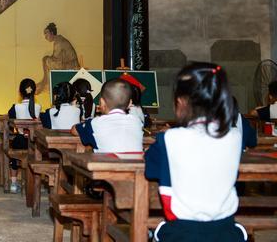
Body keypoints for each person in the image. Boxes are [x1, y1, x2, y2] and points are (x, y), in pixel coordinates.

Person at [145, 63, 248, 242]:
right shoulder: (235, 137)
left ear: (181, 102)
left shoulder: (170, 138)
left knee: (157, 231)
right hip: (227, 232)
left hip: (180, 232)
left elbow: (150, 170)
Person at [71, 78, 144, 153]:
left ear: (102, 102)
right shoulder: (137, 122)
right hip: (136, 160)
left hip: (106, 160)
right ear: (130, 103)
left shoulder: (96, 123)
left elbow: (74, 130)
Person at [6, 78, 41, 193]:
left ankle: (13, 183)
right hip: (34, 142)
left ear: (20, 92)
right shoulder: (38, 107)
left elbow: (10, 120)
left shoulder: (16, 107)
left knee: (14, 152)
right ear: (34, 92)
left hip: (21, 140)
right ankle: (34, 182)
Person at [39, 22, 79, 92]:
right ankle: (45, 81)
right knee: (46, 59)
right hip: (67, 65)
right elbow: (56, 57)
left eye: (46, 34)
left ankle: (46, 82)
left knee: (46, 60)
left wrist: (47, 59)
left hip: (71, 67)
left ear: (52, 33)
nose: (45, 37)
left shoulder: (59, 42)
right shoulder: (58, 40)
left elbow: (56, 60)